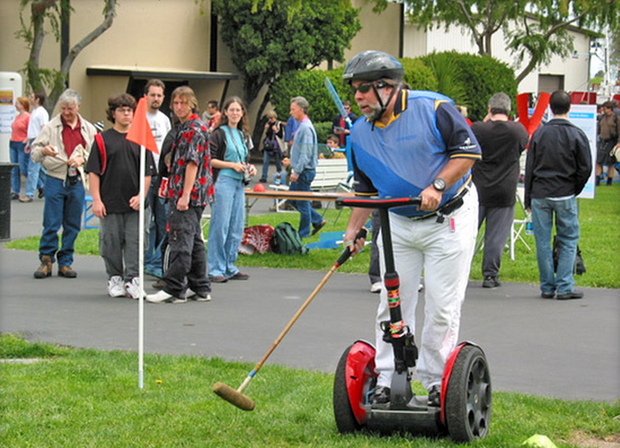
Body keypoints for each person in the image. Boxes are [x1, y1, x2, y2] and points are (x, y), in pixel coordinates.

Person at [341, 50, 481, 406]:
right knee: (392, 304)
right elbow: (365, 189)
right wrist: (354, 230)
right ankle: (387, 379)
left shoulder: (432, 108)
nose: (357, 97)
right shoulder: (359, 133)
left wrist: (436, 185)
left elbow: (467, 152)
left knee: (442, 305)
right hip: (396, 222)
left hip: (448, 216)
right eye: (354, 90)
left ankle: (437, 383)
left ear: (387, 87)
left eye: (363, 90)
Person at [146, 86, 213, 304]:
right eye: (175, 103)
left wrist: (184, 195)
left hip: (188, 194)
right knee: (194, 240)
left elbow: (192, 163)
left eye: (183, 103)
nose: (179, 107)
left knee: (180, 240)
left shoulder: (192, 129)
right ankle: (200, 285)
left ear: (192, 104)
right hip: (196, 193)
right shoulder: (190, 127)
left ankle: (174, 288)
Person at [86, 93, 157, 298]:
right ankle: (115, 277)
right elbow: (94, 172)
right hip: (110, 202)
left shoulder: (142, 140)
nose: (126, 114)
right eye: (122, 110)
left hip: (135, 203)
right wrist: (97, 200)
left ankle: (133, 279)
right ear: (113, 114)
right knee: (111, 241)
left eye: (130, 110)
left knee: (136, 241)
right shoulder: (102, 140)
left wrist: (141, 195)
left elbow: (148, 172)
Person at [524, 90, 592, 300]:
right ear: (569, 107)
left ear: (549, 109)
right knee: (569, 239)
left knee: (542, 241)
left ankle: (547, 286)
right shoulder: (577, 134)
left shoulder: (540, 134)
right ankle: (564, 285)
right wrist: (575, 187)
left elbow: (530, 167)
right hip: (564, 192)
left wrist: (528, 197)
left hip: (541, 193)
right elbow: (586, 167)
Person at [31, 89, 97, 279]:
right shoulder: (51, 127)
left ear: (78, 107)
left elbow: (95, 155)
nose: (66, 112)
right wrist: (44, 150)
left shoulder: (88, 129)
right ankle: (46, 259)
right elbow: (34, 153)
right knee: (51, 222)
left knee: (73, 224)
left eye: (70, 108)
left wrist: (82, 160)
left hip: (76, 180)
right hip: (55, 179)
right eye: (63, 108)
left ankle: (66, 261)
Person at [471, 92, 529, 288]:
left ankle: (458, 271)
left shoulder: (478, 129)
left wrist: (486, 120)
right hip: (504, 189)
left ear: (489, 109)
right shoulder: (518, 131)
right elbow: (521, 147)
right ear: (509, 110)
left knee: (468, 233)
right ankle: (490, 275)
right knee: (496, 236)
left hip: (478, 189)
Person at [207, 96, 257, 283]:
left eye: (238, 110)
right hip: (224, 182)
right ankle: (215, 268)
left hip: (239, 184)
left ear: (242, 113)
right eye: (232, 110)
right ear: (225, 112)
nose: (235, 113)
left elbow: (245, 158)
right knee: (220, 226)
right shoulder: (218, 134)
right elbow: (210, 160)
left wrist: (249, 167)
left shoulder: (243, 135)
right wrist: (231, 165)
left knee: (236, 226)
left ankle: (229, 266)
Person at [143, 79, 172, 276]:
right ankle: (144, 260)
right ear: (146, 95)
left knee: (163, 220)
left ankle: (159, 261)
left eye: (159, 95)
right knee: (145, 222)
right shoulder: (139, 118)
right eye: (152, 95)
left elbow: (168, 147)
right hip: (143, 175)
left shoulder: (164, 119)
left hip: (161, 176)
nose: (156, 99)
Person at [287, 96, 326, 238]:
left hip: (304, 172)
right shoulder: (302, 126)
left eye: (293, 109)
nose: (290, 113)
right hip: (302, 170)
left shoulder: (306, 128)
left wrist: (296, 171)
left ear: (301, 110)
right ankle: (317, 220)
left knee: (302, 203)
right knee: (292, 199)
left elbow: (305, 153)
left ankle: (303, 234)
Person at [22, 92, 49, 202]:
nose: (30, 98)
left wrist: (40, 142)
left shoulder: (42, 112)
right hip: (33, 139)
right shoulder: (34, 111)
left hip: (38, 140)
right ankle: (46, 186)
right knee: (40, 169)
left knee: (32, 169)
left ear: (37, 99)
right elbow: (32, 129)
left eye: (32, 97)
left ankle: (29, 194)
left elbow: (43, 129)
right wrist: (29, 141)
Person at [10, 97, 30, 201]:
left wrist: (27, 141)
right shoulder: (17, 116)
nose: (16, 105)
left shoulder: (28, 117)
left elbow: (30, 130)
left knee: (23, 167)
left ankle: (40, 184)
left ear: (23, 105)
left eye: (17, 103)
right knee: (14, 169)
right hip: (13, 142)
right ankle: (15, 191)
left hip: (22, 143)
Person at [596, 101, 619, 186]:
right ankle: (597, 180)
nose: (604, 110)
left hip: (611, 142)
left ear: (610, 109)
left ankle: (609, 181)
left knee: (611, 163)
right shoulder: (601, 118)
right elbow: (598, 129)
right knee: (598, 161)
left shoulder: (616, 118)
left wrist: (619, 142)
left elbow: (619, 131)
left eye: (605, 108)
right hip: (602, 141)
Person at [259, 110, 284, 183]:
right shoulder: (268, 124)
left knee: (277, 162)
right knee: (265, 161)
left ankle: (279, 177)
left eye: (271, 118)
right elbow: (268, 135)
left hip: (276, 145)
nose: (270, 120)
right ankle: (264, 176)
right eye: (269, 118)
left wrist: (276, 130)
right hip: (268, 144)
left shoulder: (279, 124)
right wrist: (266, 129)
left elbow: (281, 135)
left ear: (274, 117)